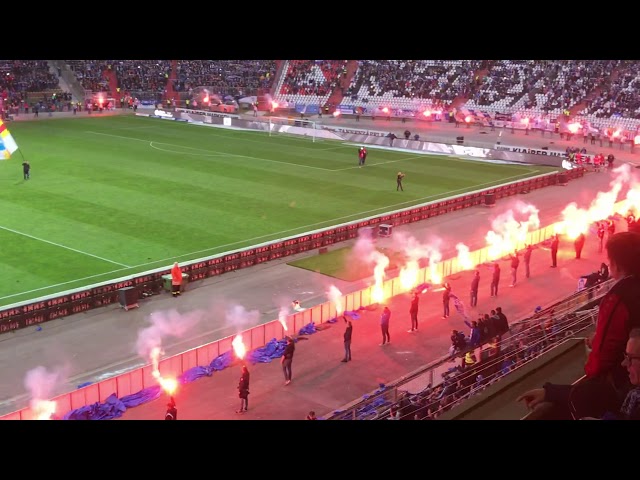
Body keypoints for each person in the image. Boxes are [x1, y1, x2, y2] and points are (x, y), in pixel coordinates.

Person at [517, 232, 640, 419]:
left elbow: (602, 356)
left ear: (615, 264)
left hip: (617, 384)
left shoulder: (618, 298)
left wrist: (585, 381)